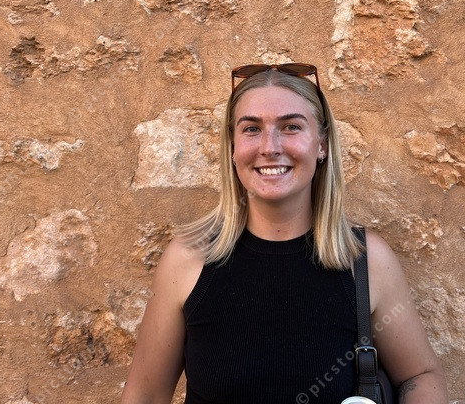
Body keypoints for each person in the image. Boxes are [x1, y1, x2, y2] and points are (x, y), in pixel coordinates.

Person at [121, 63, 447, 404]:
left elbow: (420, 377)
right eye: (251, 129)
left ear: (322, 144)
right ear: (232, 147)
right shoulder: (188, 260)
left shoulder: (364, 261)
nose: (270, 147)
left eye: (291, 126)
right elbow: (146, 394)